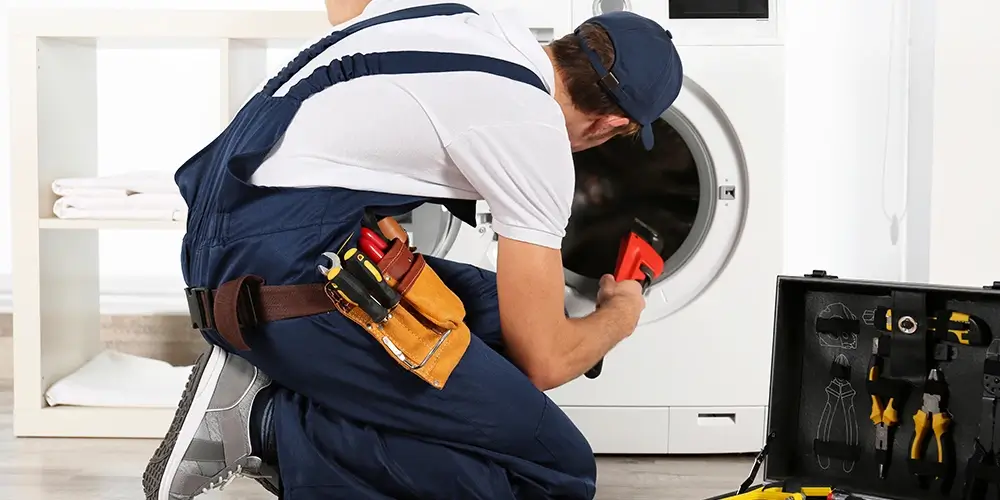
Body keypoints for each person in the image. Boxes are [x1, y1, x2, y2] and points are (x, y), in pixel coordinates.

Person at [142, 1, 683, 498]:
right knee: (556, 471)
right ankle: (266, 423)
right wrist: (620, 312)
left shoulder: (466, 21)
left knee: (493, 318)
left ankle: (288, 382)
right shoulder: (532, 131)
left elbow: (349, 44)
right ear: (613, 124)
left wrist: (369, 211)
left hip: (231, 234)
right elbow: (544, 359)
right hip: (275, 279)